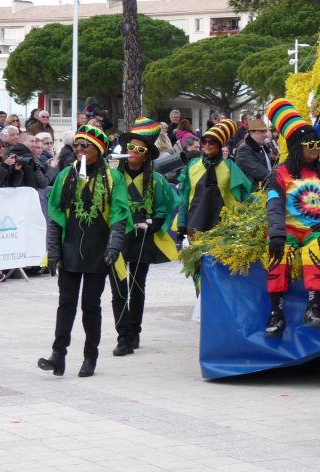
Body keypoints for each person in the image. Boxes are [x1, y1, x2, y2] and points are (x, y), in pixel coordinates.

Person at [38, 125, 131, 378]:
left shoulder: (113, 178)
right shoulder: (66, 176)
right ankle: (58, 355)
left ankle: (90, 356)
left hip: (98, 252)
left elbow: (119, 216)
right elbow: (55, 217)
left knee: (90, 306)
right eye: (76, 145)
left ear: (98, 150)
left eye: (85, 145)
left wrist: (114, 246)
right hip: (70, 249)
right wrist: (53, 251)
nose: (78, 149)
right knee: (65, 304)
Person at [263, 99, 320, 335]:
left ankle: (314, 306)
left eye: (317, 143)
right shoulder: (280, 173)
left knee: (317, 250)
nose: (316, 147)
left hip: (317, 229)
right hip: (288, 230)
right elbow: (274, 206)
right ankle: (276, 312)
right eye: (310, 143)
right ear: (296, 147)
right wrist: (277, 234)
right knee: (279, 255)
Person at [109, 118, 180, 356]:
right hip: (118, 237)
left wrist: (150, 225)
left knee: (137, 287)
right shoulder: (113, 177)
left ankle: (134, 331)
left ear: (147, 155)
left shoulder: (156, 181)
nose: (133, 153)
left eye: (139, 150)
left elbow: (162, 210)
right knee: (118, 289)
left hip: (142, 238)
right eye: (130, 147)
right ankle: (123, 336)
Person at [177, 119, 252, 238]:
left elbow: (243, 194)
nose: (207, 145)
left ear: (220, 144)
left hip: (223, 228)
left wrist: (263, 204)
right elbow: (184, 196)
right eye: (204, 141)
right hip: (195, 224)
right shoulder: (192, 165)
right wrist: (181, 223)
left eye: (211, 142)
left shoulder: (229, 167)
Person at [235, 117, 277, 188]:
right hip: (252, 192)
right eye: (262, 132)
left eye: (265, 131)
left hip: (266, 188)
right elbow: (261, 173)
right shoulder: (244, 150)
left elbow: (269, 167)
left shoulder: (263, 147)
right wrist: (281, 178)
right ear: (251, 132)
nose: (265, 135)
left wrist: (273, 159)